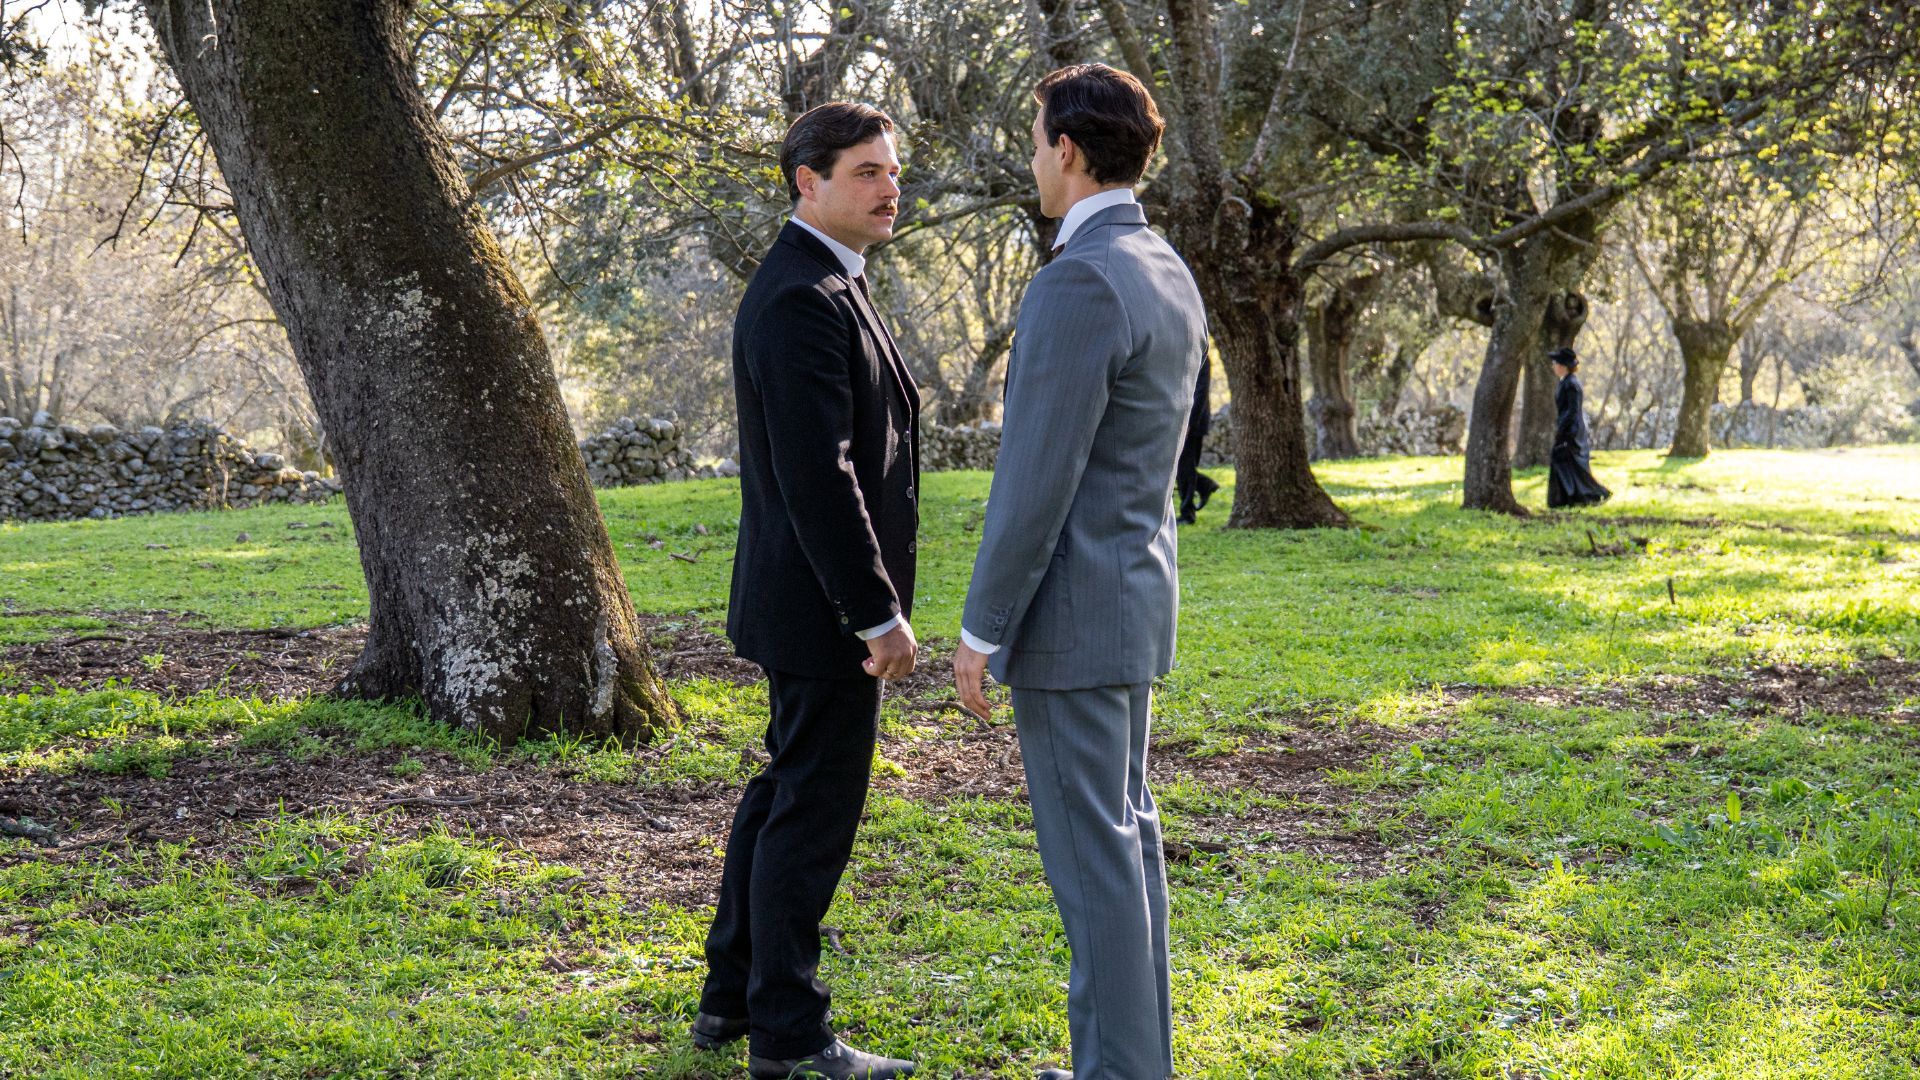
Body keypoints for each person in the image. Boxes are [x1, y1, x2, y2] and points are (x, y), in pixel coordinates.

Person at [952, 63, 1204, 1080]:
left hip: (1071, 620)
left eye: (1034, 141)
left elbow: (1034, 482)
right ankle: (1128, 1066)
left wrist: (982, 630)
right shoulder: (1164, 266)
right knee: (1126, 847)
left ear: (1066, 148)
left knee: (1096, 862)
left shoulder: (1078, 280)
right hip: (1133, 601)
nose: (1032, 160)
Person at [693, 102, 919, 1080]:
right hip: (823, 607)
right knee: (812, 812)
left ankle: (730, 1001)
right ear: (807, 182)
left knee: (784, 791)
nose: (889, 186)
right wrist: (875, 615)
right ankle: (790, 1034)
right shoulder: (799, 297)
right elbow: (818, 475)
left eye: (892, 169)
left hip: (804, 601)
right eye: (866, 170)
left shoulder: (833, 281)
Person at [1546, 345, 1611, 509]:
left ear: (1563, 366)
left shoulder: (1571, 384)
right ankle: (1565, 498)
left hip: (1571, 431)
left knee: (1570, 463)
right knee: (1564, 462)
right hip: (1567, 428)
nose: (1553, 366)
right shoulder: (1566, 382)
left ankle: (1595, 493)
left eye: (1555, 363)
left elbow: (1572, 411)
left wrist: (1562, 429)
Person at [1174, 359, 1218, 524]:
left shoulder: (1202, 356)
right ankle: (1205, 484)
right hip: (1180, 421)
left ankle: (1188, 513)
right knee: (1182, 468)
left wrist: (1189, 424)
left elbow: (1200, 391)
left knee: (1184, 468)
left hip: (1193, 423)